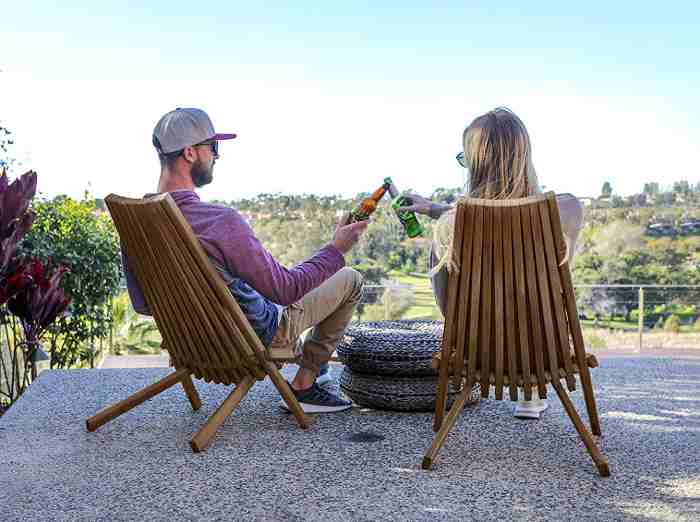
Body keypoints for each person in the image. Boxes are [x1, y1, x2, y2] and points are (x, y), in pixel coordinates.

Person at [123, 107, 368, 413]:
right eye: (213, 147)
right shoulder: (219, 221)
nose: (216, 156)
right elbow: (286, 289)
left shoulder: (136, 221)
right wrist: (337, 247)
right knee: (351, 280)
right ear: (189, 153)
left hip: (193, 345)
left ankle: (318, 372)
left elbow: (142, 304)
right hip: (256, 337)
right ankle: (305, 384)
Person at [398, 107, 583, 420]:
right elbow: (514, 212)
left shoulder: (449, 229)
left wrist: (442, 213)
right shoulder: (565, 211)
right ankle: (531, 392)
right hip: (545, 352)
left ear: (475, 164)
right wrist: (437, 209)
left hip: (480, 354)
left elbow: (449, 310)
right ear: (525, 157)